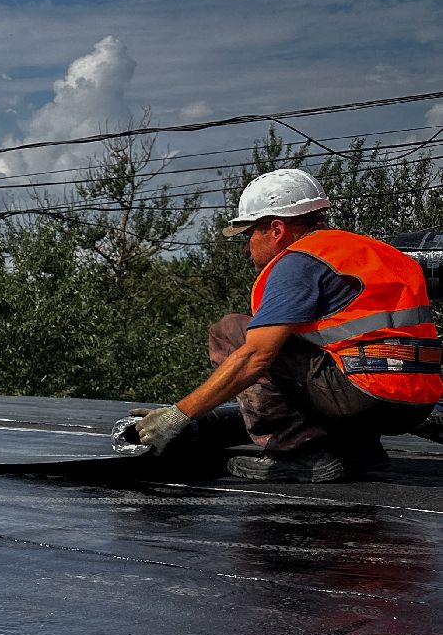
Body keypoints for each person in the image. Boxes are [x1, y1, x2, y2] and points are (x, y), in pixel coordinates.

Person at [133, 168, 442, 482]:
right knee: (313, 348)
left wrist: (177, 415)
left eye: (250, 233)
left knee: (233, 332)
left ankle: (297, 453)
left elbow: (255, 357)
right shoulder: (377, 253)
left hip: (361, 397)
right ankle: (356, 452)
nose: (246, 247)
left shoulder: (299, 261)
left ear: (277, 229)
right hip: (416, 404)